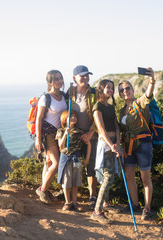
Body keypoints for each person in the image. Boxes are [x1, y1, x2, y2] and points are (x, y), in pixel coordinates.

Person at [118, 67, 155, 220]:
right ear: (119, 94)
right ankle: (134, 205)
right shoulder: (121, 110)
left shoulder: (139, 102)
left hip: (143, 144)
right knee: (129, 176)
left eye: (127, 88)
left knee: (145, 178)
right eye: (121, 90)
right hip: (129, 146)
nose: (125, 91)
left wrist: (152, 81)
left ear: (132, 90)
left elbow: (148, 95)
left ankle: (147, 208)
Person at [66, 65, 98, 210]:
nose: (85, 78)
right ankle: (71, 196)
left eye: (87, 75)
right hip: (75, 136)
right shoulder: (69, 93)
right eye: (82, 76)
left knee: (91, 165)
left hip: (91, 134)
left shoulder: (94, 93)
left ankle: (92, 196)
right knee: (74, 165)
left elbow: (100, 114)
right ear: (74, 78)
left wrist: (91, 132)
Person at [91, 79, 122, 224]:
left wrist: (118, 144)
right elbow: (101, 129)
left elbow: (116, 127)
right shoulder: (97, 106)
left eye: (112, 88)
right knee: (108, 176)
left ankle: (105, 204)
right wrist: (112, 144)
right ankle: (97, 211)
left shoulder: (110, 107)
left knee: (109, 175)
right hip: (105, 144)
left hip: (114, 143)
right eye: (107, 87)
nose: (110, 90)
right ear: (101, 89)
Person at [35, 70, 67, 204]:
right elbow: (39, 119)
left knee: (48, 164)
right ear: (50, 82)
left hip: (60, 133)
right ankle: (42, 189)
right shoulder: (46, 98)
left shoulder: (64, 96)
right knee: (56, 163)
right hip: (48, 134)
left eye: (61, 78)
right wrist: (38, 138)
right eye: (56, 79)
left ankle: (46, 191)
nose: (60, 81)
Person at [56, 110, 91, 211]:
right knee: (66, 182)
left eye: (75, 116)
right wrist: (65, 134)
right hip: (66, 158)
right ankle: (67, 202)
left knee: (76, 182)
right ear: (64, 119)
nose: (74, 118)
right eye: (70, 116)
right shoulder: (61, 131)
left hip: (76, 158)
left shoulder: (79, 131)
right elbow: (60, 146)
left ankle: (75, 202)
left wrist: (87, 158)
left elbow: (88, 144)